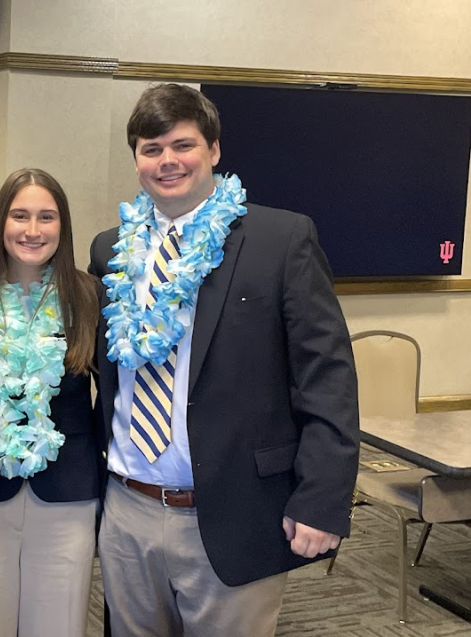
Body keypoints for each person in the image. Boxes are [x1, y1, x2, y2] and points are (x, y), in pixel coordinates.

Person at [90, 84, 359, 637]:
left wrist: (323, 497)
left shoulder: (280, 239)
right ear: (136, 160)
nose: (167, 161)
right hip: (128, 506)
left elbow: (326, 376)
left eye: (182, 145)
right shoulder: (110, 250)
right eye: (150, 148)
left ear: (213, 149)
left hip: (236, 508)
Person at [0, 168, 101, 637]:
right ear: (1, 223)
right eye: (20, 216)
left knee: (57, 625)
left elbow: (116, 390)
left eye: (46, 217)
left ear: (63, 226)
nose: (33, 230)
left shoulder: (90, 297)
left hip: (67, 496)